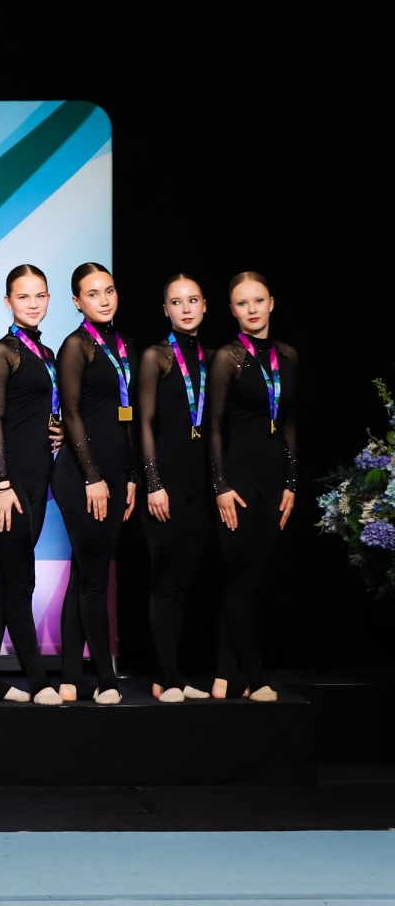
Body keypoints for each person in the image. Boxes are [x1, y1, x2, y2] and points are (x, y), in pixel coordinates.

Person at [0, 265, 64, 705]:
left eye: (40, 295)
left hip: (36, 480)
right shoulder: (1, 352)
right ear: (8, 302)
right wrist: (2, 483)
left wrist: (60, 430)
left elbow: (39, 413)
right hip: (6, 483)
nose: (33, 304)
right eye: (23, 297)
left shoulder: (46, 353)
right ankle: (39, 681)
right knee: (21, 581)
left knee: (3, 580)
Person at [208, 272, 297, 703]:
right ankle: (257, 678)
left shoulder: (288, 355)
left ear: (271, 303)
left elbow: (290, 421)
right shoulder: (227, 357)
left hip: (275, 482)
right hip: (238, 483)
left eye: (258, 301)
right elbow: (213, 426)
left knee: (249, 584)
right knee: (241, 582)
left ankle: (225, 675)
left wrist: (292, 482)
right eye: (242, 303)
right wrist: (220, 485)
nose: (252, 309)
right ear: (232, 311)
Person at [52, 262, 136, 704]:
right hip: (81, 476)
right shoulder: (75, 346)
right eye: (92, 293)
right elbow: (71, 413)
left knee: (86, 575)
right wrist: (93, 477)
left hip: (116, 475)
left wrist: (131, 477)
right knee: (96, 577)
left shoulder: (124, 345)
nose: (103, 300)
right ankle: (105, 678)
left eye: (109, 290)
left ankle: (69, 676)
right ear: (76, 301)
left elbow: (128, 417)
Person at [135, 275, 215, 703]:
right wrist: (153, 483)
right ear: (165, 309)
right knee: (165, 582)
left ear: (205, 306)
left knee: (183, 584)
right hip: (163, 486)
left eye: (193, 300)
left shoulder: (213, 358)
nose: (186, 309)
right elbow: (144, 424)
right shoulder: (156, 356)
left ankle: (170, 675)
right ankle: (166, 678)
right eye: (176, 302)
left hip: (199, 487)